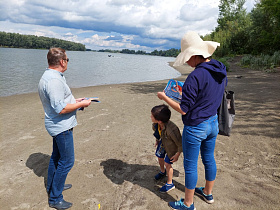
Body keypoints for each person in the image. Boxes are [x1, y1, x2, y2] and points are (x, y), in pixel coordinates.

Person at [157, 31, 227, 210]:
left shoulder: (195, 77)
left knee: (190, 165)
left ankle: (188, 203)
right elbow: (211, 94)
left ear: (196, 55)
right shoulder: (220, 68)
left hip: (196, 126)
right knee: (209, 159)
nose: (187, 62)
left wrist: (165, 97)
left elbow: (183, 109)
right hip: (212, 122)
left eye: (188, 58)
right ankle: (208, 193)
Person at [38, 48, 92, 210]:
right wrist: (81, 104)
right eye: (67, 59)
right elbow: (60, 108)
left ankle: (54, 187)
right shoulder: (53, 80)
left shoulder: (51, 76)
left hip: (58, 124)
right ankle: (55, 198)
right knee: (67, 161)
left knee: (57, 157)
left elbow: (60, 101)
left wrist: (76, 101)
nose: (67, 62)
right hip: (61, 126)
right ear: (62, 62)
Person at [151, 104, 182, 193]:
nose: (150, 117)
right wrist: (157, 140)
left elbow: (180, 143)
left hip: (172, 148)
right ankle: (162, 171)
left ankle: (170, 183)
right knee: (160, 157)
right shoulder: (156, 124)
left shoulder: (172, 130)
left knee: (167, 163)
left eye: (152, 116)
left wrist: (177, 154)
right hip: (163, 142)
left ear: (159, 120)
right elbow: (158, 133)